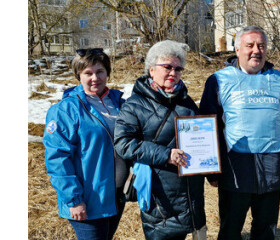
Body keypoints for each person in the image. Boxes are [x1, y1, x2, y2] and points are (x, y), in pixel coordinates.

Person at [199, 26, 280, 240]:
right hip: (234, 169)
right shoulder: (218, 80)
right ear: (237, 49)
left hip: (272, 167)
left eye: (261, 46)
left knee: (265, 231)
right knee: (230, 231)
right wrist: (211, 170)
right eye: (250, 45)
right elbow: (208, 128)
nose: (256, 50)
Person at [113, 40, 206, 240]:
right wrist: (166, 155)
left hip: (189, 192)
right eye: (168, 67)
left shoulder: (186, 102)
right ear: (152, 69)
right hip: (159, 195)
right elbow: (123, 143)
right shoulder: (134, 105)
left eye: (178, 69)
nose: (174, 73)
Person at [43, 48, 126, 240]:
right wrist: (74, 200)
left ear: (108, 73)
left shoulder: (118, 103)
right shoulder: (66, 110)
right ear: (78, 75)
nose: (95, 78)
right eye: (88, 73)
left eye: (100, 72)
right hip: (88, 200)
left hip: (114, 196)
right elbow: (57, 159)